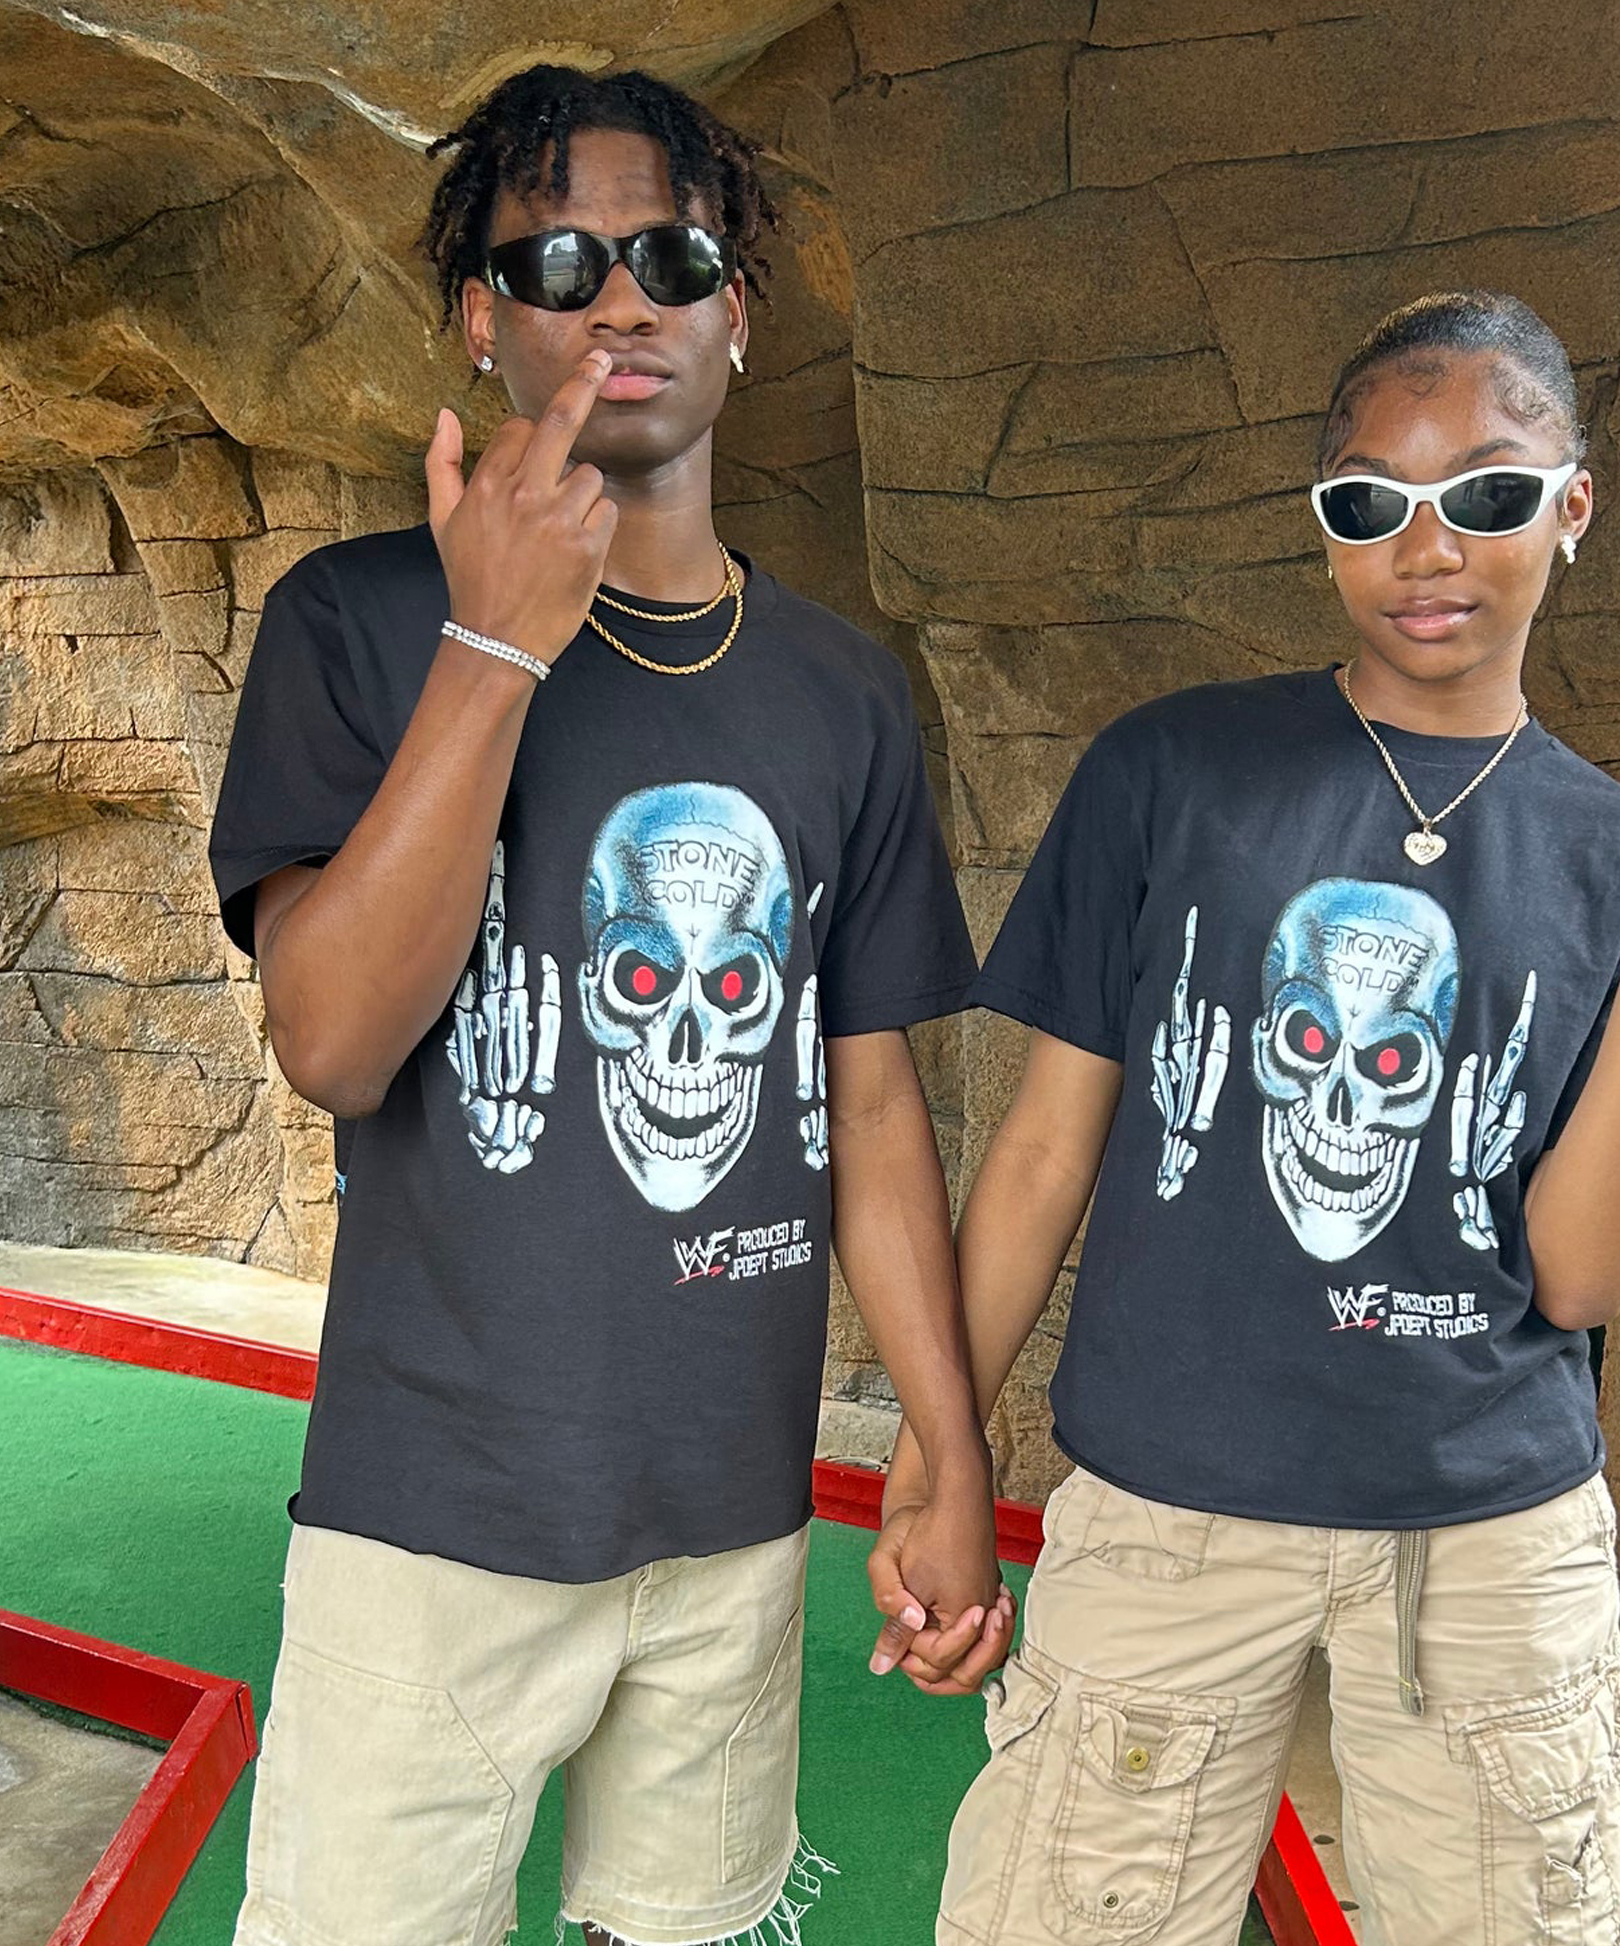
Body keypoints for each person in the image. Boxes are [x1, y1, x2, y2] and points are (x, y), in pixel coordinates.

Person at [207, 63, 1006, 1946]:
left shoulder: (841, 689)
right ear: (481, 321)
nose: (622, 300)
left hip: (730, 1511)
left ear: (742, 313)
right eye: (558, 261)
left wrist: (950, 1444)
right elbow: (331, 1040)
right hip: (434, 1515)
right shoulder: (356, 621)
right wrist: (494, 638)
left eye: (672, 257)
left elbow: (866, 1099)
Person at [896, 290, 1620, 1945]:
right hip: (1163, 1514)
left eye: (1489, 492)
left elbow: (1581, 1275)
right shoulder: (1171, 771)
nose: (1426, 547)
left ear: (1572, 504)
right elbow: (1038, 1152)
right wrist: (936, 1460)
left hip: (1486, 1539)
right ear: (1324, 526)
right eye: (1372, 501)